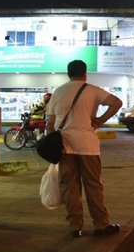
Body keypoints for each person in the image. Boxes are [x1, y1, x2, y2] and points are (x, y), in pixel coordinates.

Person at [46, 59, 123, 238]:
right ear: (85, 73)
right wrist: (101, 120)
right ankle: (101, 225)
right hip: (88, 146)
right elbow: (116, 103)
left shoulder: (58, 92)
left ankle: (75, 226)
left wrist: (53, 141)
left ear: (68, 74)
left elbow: (50, 123)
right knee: (93, 185)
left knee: (69, 186)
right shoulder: (93, 90)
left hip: (64, 146)